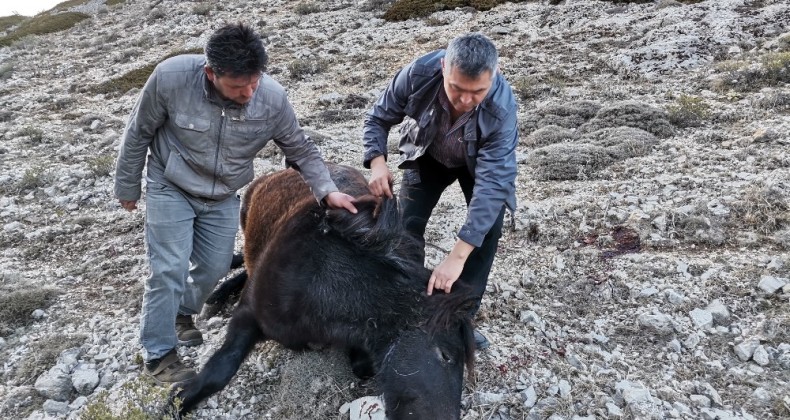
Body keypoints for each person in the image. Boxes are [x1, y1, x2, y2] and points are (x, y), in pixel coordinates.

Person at [114, 23, 357, 384]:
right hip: (171, 185)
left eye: (253, 83)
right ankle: (159, 354)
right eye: (237, 86)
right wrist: (128, 184)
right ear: (211, 73)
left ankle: (182, 313)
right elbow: (139, 132)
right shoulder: (170, 78)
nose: (247, 93)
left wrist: (327, 191)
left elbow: (300, 149)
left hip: (224, 193)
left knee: (214, 267)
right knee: (168, 267)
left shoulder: (272, 98)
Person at [362, 33, 518, 350]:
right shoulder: (419, 73)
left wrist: (456, 258)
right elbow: (377, 117)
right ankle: (409, 305)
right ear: (444, 68)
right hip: (427, 154)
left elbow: (491, 188)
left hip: (478, 169)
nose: (464, 100)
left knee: (485, 233)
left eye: (477, 92)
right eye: (456, 88)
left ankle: (457, 320)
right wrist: (378, 164)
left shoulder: (502, 110)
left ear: (495, 75)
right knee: (405, 226)